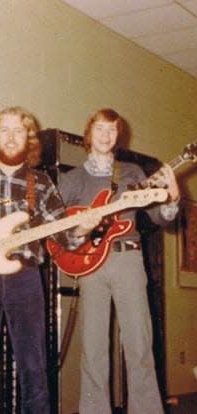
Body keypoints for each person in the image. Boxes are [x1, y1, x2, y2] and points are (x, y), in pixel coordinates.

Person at [0, 106, 100, 413]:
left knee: (34, 368)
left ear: (29, 139)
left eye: (18, 131)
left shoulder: (41, 183)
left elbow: (62, 235)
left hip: (25, 278)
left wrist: (82, 228)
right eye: (4, 130)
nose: (11, 138)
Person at [58, 108, 180, 414]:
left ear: (118, 136)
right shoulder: (72, 179)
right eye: (100, 128)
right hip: (90, 264)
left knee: (140, 344)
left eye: (112, 130)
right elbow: (53, 229)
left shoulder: (133, 174)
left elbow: (158, 217)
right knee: (94, 348)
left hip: (128, 259)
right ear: (89, 133)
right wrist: (79, 235)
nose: (106, 135)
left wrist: (173, 199)